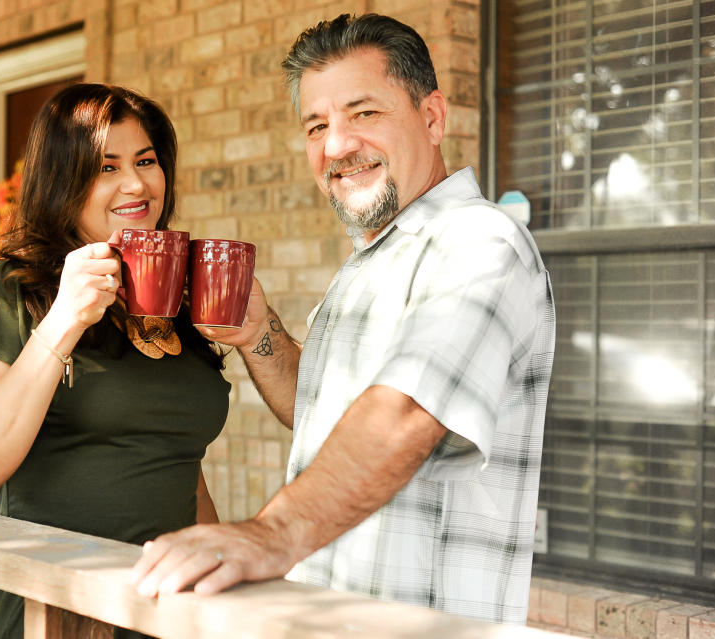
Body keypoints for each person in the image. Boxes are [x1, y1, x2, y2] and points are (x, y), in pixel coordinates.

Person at [131, 13, 556, 625]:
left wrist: (271, 535)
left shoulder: (478, 241)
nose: (336, 146)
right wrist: (261, 335)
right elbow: (327, 416)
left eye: (364, 114)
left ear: (433, 117)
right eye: (316, 125)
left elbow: (406, 412)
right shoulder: (375, 259)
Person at [0, 83, 229, 639]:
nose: (136, 184)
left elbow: (174, 462)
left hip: (155, 613)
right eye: (107, 167)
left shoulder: (174, 302)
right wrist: (64, 321)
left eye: (146, 161)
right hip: (40, 612)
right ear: (62, 182)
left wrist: (210, 606)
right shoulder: (4, 291)